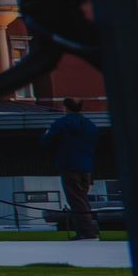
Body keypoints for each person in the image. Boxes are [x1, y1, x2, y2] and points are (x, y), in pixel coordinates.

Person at [44, 101, 102, 238]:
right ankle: (90, 227)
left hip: (69, 165)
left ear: (65, 108)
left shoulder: (61, 124)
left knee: (75, 199)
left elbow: (47, 141)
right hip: (86, 166)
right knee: (82, 198)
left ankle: (86, 231)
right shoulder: (89, 125)